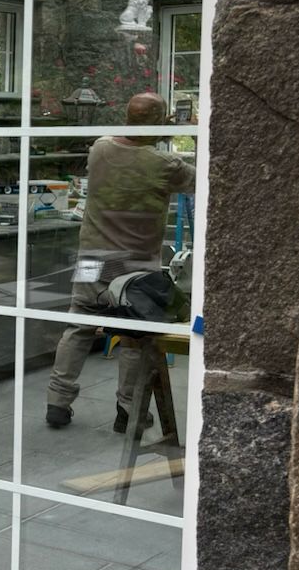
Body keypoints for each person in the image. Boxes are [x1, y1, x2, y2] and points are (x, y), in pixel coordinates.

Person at [46, 92, 194, 431]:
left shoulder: (99, 149)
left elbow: (129, 149)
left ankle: (57, 402)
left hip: (94, 259)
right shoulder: (164, 165)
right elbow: (202, 178)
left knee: (79, 325)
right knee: (135, 335)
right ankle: (129, 411)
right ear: (158, 122)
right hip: (136, 265)